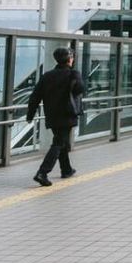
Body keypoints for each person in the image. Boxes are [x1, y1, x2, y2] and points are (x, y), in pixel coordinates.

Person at [26, 47, 86, 187]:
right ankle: (42, 173)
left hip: (52, 115)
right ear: (69, 59)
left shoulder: (47, 76)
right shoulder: (72, 74)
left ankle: (66, 169)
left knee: (61, 140)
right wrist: (76, 76)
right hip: (67, 115)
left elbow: (35, 96)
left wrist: (30, 114)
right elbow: (80, 89)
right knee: (58, 143)